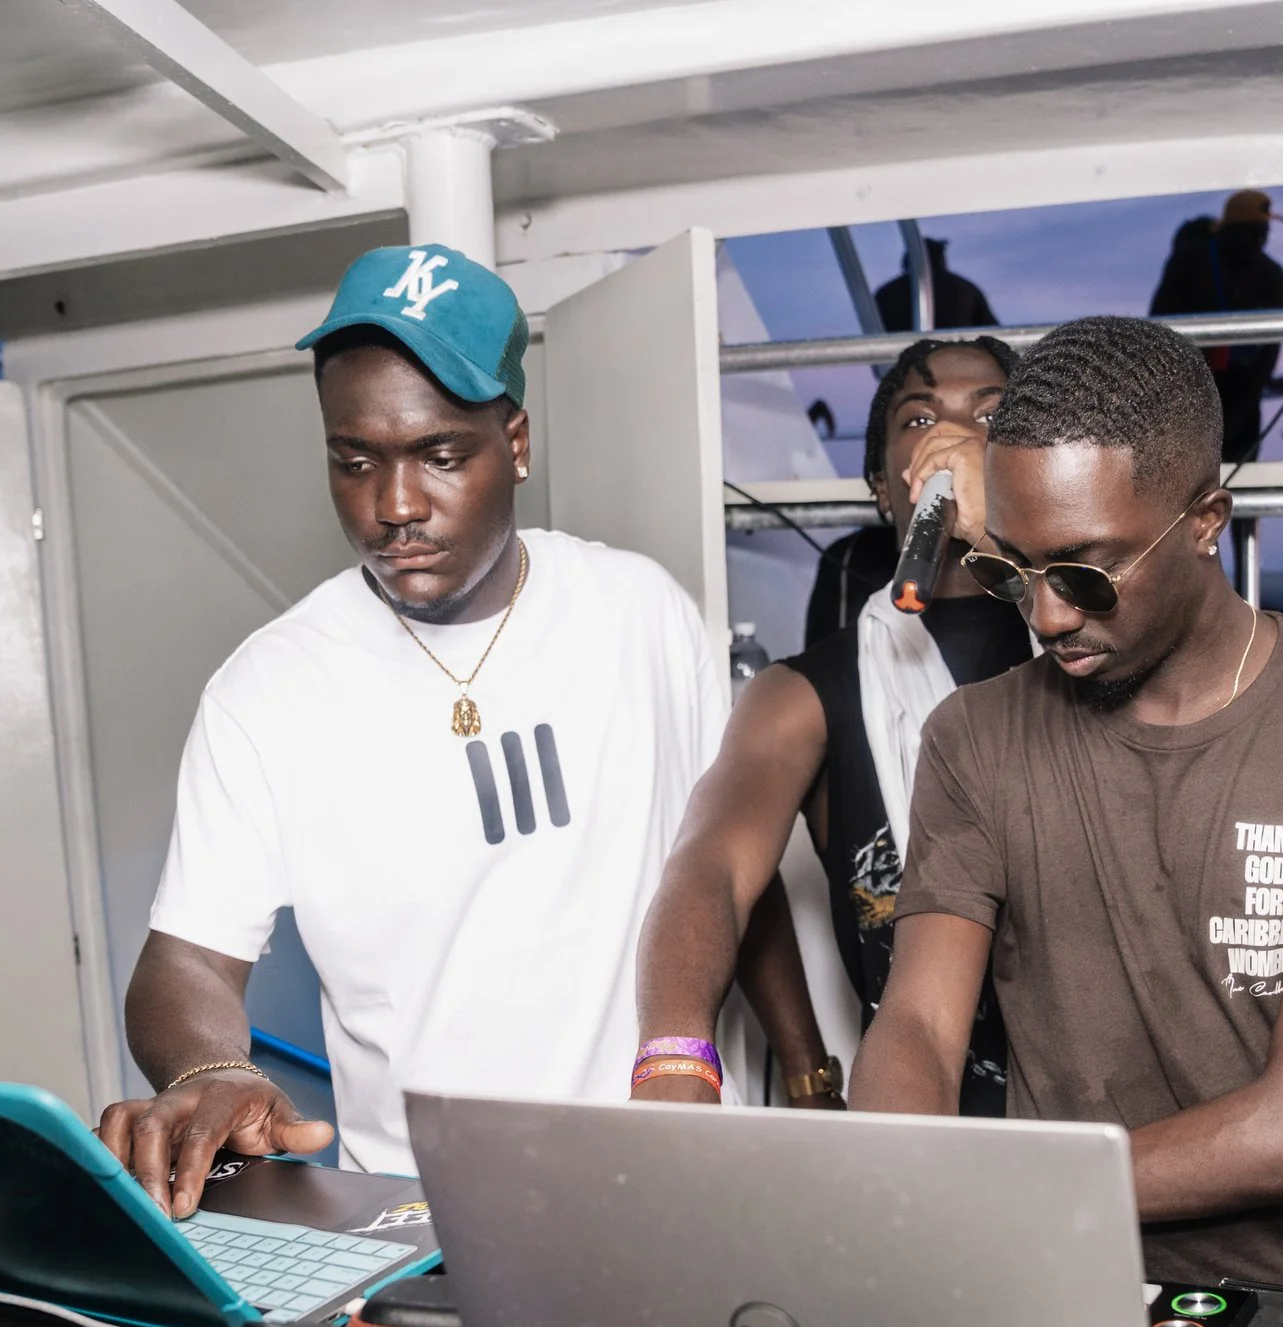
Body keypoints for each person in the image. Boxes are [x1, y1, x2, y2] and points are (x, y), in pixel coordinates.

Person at [849, 315, 1283, 1327]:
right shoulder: (974, 739)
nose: (1044, 617)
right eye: (1013, 570)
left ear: (1205, 524)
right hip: (1069, 1306)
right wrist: (904, 1178)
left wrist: (1000, 1194)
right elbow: (922, 1028)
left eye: (1083, 575)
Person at [99, 244, 766, 1211]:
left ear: (519, 444)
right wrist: (208, 1072)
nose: (395, 506)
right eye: (354, 461)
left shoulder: (637, 610)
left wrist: (800, 1069)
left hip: (670, 1169)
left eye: (441, 456)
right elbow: (188, 957)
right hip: (427, 1210)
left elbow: (729, 866)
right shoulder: (268, 688)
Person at [636, 338, 1030, 1114]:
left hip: (1119, 1115)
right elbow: (711, 868)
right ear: (885, 488)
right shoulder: (804, 692)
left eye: (993, 415)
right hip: (927, 1122)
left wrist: (1013, 536)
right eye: (920, 418)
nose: (955, 437)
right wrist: (675, 1059)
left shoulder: (1091, 639)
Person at [1152, 189, 1283, 566]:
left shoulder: (1271, 274)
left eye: (1263, 232)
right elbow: (1159, 327)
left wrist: (1251, 401)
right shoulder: (1190, 262)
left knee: (1242, 501)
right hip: (1190, 395)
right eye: (1251, 231)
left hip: (1244, 392)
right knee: (1187, 501)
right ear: (1229, 230)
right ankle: (1187, 583)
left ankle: (1247, 588)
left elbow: (1272, 343)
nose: (1260, 240)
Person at [875, 237, 999, 332]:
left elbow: (874, 334)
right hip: (955, 359)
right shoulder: (963, 288)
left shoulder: (885, 293)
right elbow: (993, 331)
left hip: (902, 361)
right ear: (940, 259)